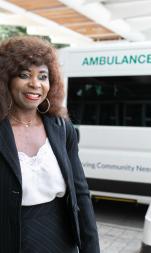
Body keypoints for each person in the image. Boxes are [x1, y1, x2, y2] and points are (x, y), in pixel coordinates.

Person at [0, 36, 100, 253]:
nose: (35, 83)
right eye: (24, 74)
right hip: (11, 239)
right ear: (6, 79)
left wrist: (91, 248)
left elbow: (80, 193)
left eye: (42, 76)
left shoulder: (62, 128)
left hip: (61, 238)